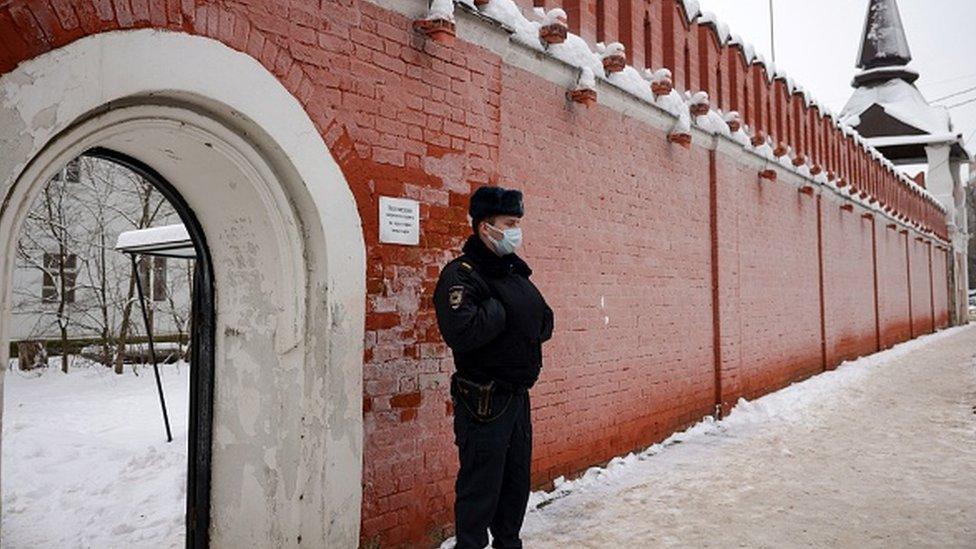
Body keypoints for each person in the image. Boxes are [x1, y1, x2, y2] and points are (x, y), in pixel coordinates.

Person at [433, 185, 555, 549]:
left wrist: (511, 312)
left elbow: (544, 322)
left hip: (517, 398)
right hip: (483, 401)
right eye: (510, 222)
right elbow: (463, 330)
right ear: (486, 227)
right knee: (480, 489)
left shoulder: (513, 272)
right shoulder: (462, 275)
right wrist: (504, 310)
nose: (516, 230)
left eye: (517, 222)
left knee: (515, 486)